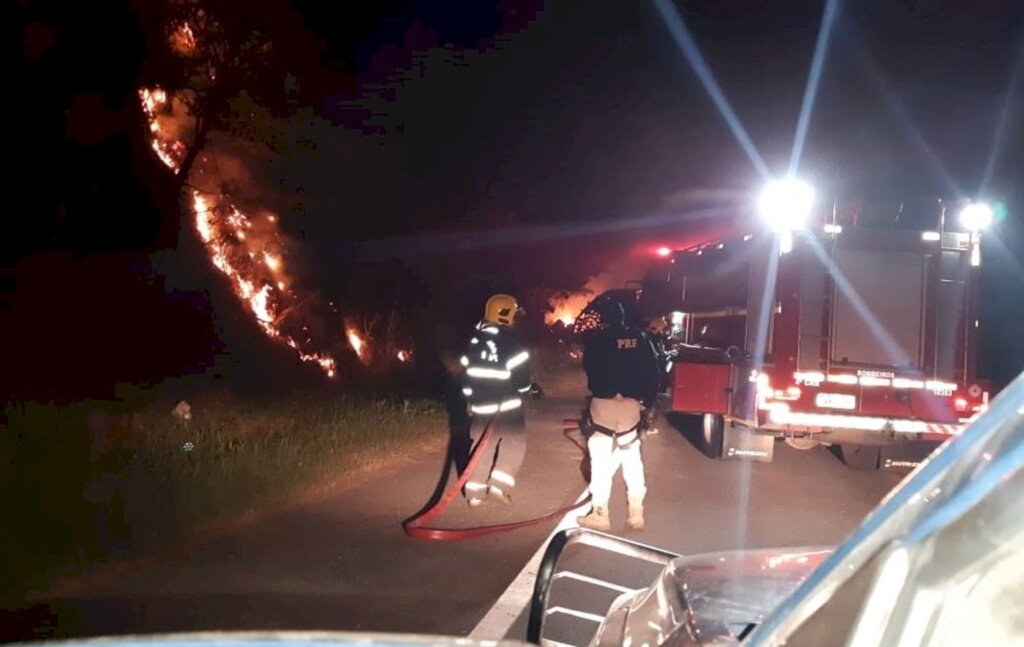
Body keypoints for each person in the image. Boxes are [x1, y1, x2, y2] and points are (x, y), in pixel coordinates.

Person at [578, 300, 661, 531]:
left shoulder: (597, 340)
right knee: (632, 458)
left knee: (601, 460)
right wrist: (647, 402)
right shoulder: (640, 339)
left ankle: (600, 514)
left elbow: (589, 367)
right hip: (630, 406)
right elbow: (653, 372)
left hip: (603, 404)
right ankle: (636, 514)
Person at [459, 294, 533, 506]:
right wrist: (528, 390)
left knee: (481, 447)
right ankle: (499, 486)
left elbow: (466, 374)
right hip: (508, 408)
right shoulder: (513, 346)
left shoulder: (473, 342)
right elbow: (522, 383)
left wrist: (470, 401)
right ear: (507, 316)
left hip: (480, 408)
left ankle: (474, 494)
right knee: (514, 443)